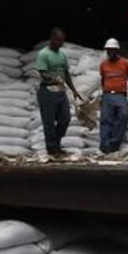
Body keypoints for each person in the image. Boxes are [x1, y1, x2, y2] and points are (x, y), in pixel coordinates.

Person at [36, 27, 82, 157]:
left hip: (61, 91)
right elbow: (43, 73)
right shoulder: (43, 54)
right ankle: (52, 148)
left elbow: (66, 73)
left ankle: (55, 143)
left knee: (65, 119)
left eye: (62, 40)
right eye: (58, 40)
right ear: (52, 39)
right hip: (48, 91)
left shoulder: (62, 55)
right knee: (49, 122)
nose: (61, 43)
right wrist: (54, 78)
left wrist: (74, 90)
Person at [99, 38, 128, 154]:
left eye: (112, 50)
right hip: (107, 94)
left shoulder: (126, 63)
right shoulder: (103, 64)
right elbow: (103, 80)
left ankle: (114, 144)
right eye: (108, 50)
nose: (110, 52)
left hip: (120, 95)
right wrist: (102, 94)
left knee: (123, 115)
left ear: (117, 50)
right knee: (106, 120)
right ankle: (105, 146)